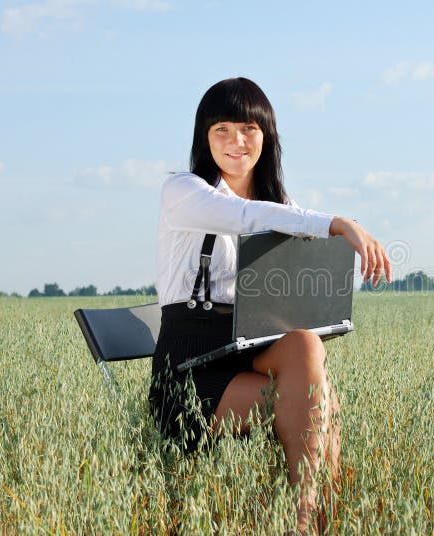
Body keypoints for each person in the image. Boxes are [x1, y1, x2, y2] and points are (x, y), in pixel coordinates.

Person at [149, 77, 391, 533]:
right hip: (188, 373)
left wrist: (333, 237)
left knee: (305, 346)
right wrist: (338, 224)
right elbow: (245, 217)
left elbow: (282, 225)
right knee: (319, 406)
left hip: (250, 351)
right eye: (221, 129)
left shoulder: (282, 204)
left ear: (267, 136)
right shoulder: (184, 191)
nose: (236, 141)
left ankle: (303, 516)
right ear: (204, 137)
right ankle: (312, 522)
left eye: (248, 129)